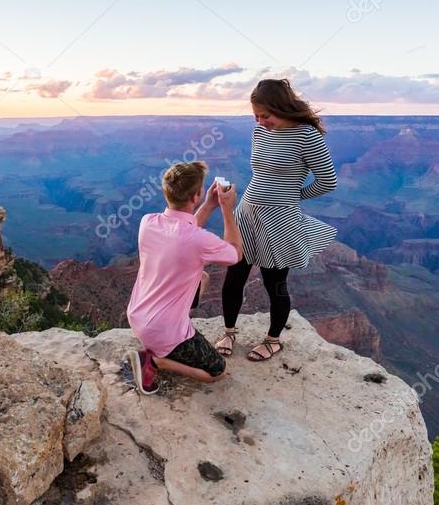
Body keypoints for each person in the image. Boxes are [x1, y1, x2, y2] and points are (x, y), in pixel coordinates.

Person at [215, 79, 338, 361]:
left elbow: (328, 181)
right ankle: (229, 332)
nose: (260, 121)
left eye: (266, 115)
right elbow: (262, 173)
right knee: (235, 274)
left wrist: (292, 197)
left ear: (282, 108)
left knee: (275, 282)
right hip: (246, 212)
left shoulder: (307, 136)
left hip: (279, 220)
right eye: (256, 116)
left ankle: (273, 340)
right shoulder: (259, 133)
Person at [125, 160, 243, 395]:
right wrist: (228, 209)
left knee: (203, 276)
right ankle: (155, 362)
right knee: (217, 371)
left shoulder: (148, 222)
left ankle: (169, 335)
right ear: (195, 196)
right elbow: (234, 255)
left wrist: (210, 205)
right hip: (163, 332)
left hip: (138, 316)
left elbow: (183, 233)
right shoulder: (199, 240)